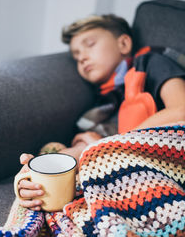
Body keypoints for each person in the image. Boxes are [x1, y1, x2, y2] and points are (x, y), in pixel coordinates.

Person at [16, 14, 185, 211]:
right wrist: (32, 180)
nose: (83, 58)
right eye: (77, 57)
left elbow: (181, 110)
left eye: (90, 44)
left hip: (168, 153)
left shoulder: (150, 62)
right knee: (63, 153)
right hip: (122, 167)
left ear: (123, 44)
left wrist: (108, 145)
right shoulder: (103, 105)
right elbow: (86, 151)